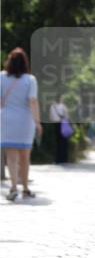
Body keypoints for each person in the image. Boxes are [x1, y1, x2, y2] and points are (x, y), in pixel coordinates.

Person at [1, 48, 42, 201]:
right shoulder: (30, 79)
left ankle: (13, 188)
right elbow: (32, 101)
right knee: (25, 156)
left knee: (11, 157)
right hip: (25, 121)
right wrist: (37, 122)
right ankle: (25, 188)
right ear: (25, 62)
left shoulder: (1, 77)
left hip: (6, 120)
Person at [48, 95, 71, 164]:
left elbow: (50, 117)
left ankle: (57, 159)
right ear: (60, 99)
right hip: (62, 124)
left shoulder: (52, 106)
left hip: (56, 124)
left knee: (57, 142)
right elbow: (67, 116)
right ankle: (64, 159)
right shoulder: (63, 106)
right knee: (64, 142)